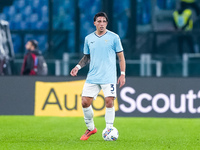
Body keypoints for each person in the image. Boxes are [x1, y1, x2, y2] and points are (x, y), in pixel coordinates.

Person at [70, 12, 126, 140]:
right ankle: (91, 128)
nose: (102, 24)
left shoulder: (114, 37)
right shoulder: (89, 38)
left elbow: (121, 58)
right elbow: (87, 57)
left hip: (109, 76)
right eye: (99, 21)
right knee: (84, 102)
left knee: (109, 101)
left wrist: (122, 74)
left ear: (107, 23)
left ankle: (109, 129)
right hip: (93, 76)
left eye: (104, 21)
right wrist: (77, 67)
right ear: (94, 23)